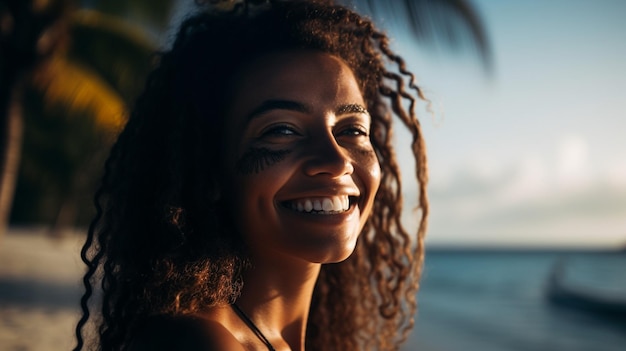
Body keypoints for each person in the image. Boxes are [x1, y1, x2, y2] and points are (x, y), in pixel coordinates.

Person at [74, 0, 429, 350]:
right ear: (211, 171)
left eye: (352, 130)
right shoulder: (200, 343)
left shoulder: (301, 337)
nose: (336, 161)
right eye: (282, 130)